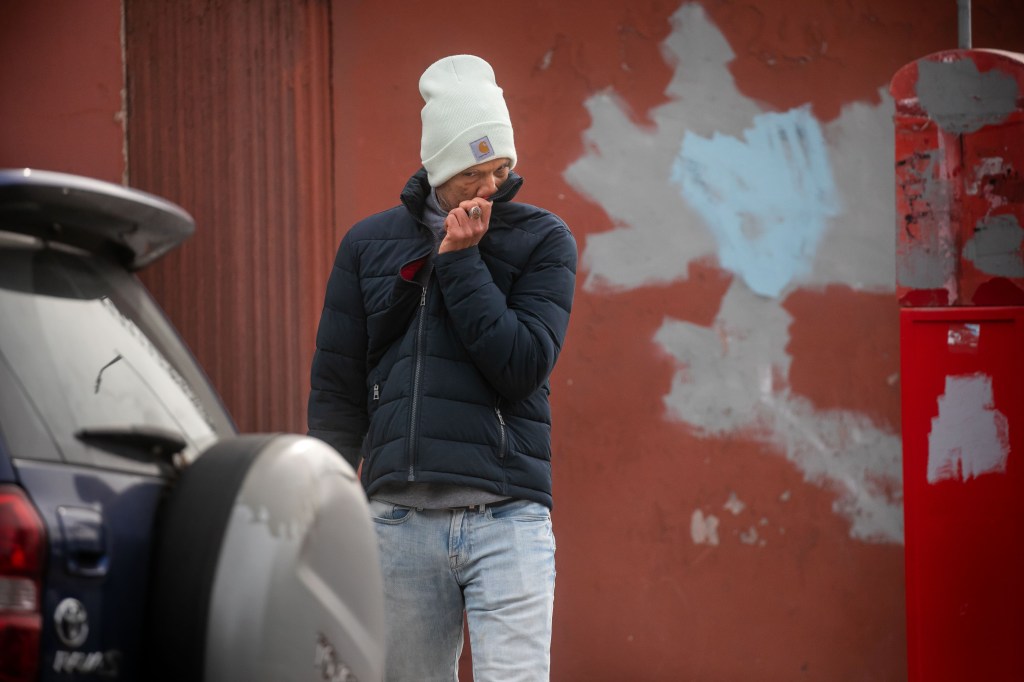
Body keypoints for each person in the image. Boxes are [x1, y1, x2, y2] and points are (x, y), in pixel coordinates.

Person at [307, 54, 577, 681]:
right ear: (438, 169)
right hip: (398, 526)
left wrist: (459, 262)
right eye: (473, 173)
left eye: (502, 169)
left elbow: (523, 364)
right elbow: (338, 386)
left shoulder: (543, 239)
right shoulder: (367, 245)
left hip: (508, 519)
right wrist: (322, 504)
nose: (490, 188)